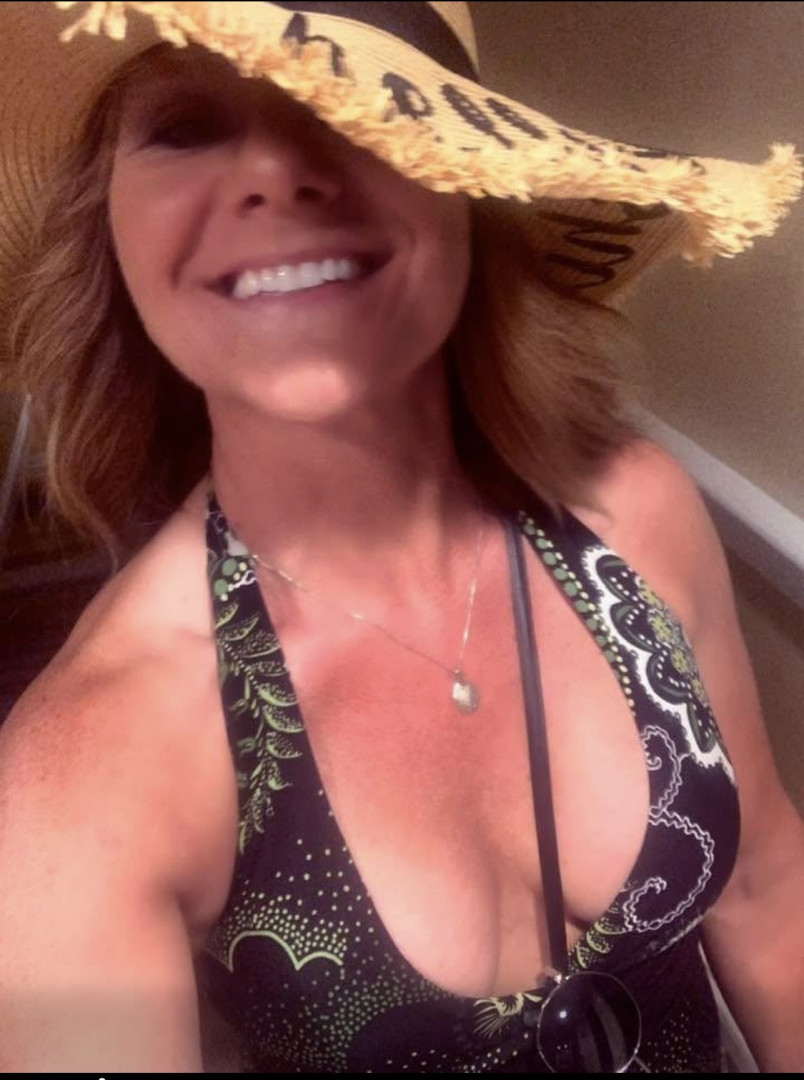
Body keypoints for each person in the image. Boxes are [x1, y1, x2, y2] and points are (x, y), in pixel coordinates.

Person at [0, 1, 802, 1073]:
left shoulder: (636, 514)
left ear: (470, 188)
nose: (272, 176)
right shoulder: (85, 777)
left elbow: (765, 892)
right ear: (110, 230)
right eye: (187, 126)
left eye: (351, 108)